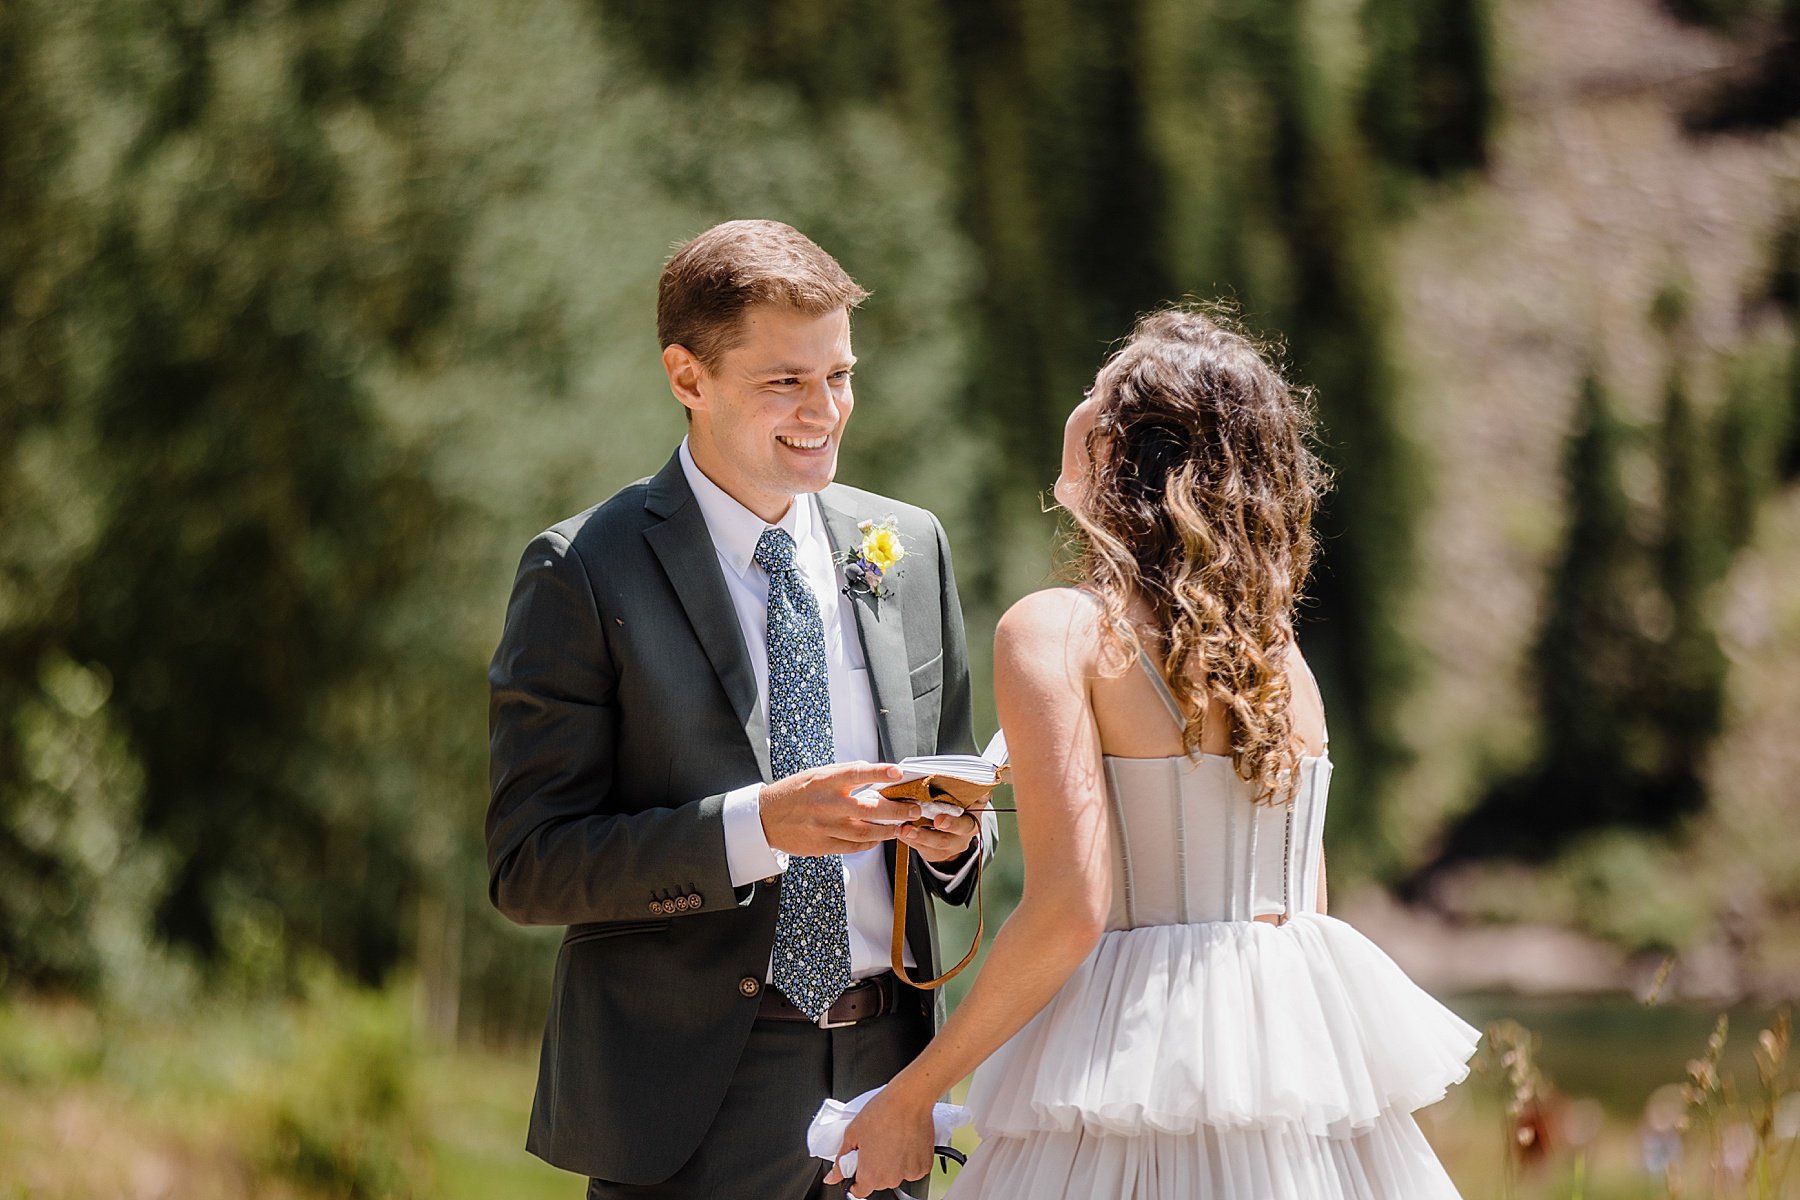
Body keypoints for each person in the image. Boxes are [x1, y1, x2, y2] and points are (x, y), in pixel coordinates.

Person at [830, 307, 1480, 1198]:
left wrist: (911, 1099)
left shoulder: (1056, 632)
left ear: (1116, 445)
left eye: (1094, 391)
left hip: (1129, 1059)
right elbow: (1305, 900)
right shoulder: (1281, 661)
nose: (1078, 406)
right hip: (1287, 1082)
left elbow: (1069, 909)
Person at [486, 218, 996, 1199]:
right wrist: (752, 829)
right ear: (688, 378)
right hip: (690, 1106)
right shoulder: (583, 571)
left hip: (888, 1083)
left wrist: (953, 844)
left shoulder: (908, 547)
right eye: (785, 382)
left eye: (840, 375)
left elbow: (960, 812)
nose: (825, 411)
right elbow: (528, 866)